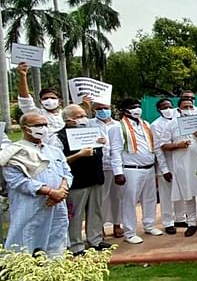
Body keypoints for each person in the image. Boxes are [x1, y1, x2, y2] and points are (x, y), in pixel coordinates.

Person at [0, 113, 72, 256]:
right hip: (30, 206)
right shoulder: (13, 152)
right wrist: (50, 192)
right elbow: (17, 181)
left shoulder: (54, 151)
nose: (43, 128)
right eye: (38, 125)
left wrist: (62, 190)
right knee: (26, 243)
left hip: (57, 206)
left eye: (45, 125)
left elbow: (67, 173)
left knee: (56, 242)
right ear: (26, 129)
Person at [49, 105, 108, 255]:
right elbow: (58, 162)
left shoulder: (91, 132)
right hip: (77, 182)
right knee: (75, 215)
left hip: (95, 178)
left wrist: (101, 142)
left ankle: (95, 240)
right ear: (68, 120)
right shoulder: (58, 137)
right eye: (79, 116)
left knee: (96, 211)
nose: (83, 118)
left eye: (83, 115)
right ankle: (76, 245)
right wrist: (79, 155)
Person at [160, 97, 197, 237]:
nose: (189, 110)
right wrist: (177, 145)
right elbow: (163, 145)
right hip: (183, 165)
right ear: (178, 109)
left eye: (191, 107)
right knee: (188, 194)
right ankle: (191, 223)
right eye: (185, 107)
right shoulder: (172, 124)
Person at [116, 98, 161, 244]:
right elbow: (115, 151)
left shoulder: (145, 124)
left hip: (148, 167)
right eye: (132, 107)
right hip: (131, 169)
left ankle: (149, 224)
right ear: (124, 110)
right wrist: (118, 172)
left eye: (138, 106)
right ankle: (129, 232)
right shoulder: (118, 127)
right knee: (130, 201)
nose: (137, 109)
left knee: (150, 198)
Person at [90, 101, 125, 238]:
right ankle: (100, 226)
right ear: (94, 110)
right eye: (99, 108)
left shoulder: (118, 125)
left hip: (117, 167)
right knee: (100, 198)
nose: (103, 110)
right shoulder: (89, 124)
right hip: (99, 166)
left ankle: (117, 224)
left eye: (106, 108)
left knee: (117, 197)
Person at [151, 98, 184, 235]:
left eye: (170, 106)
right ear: (159, 110)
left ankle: (180, 218)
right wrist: (164, 169)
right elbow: (159, 149)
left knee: (180, 192)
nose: (168, 109)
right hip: (166, 163)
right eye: (164, 107)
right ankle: (168, 222)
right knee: (167, 195)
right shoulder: (156, 125)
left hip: (180, 162)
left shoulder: (179, 120)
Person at [16, 62, 64, 133]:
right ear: (40, 102)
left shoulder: (67, 115)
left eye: (53, 98)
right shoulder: (37, 114)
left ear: (60, 101)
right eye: (45, 98)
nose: (49, 100)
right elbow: (25, 100)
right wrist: (23, 75)